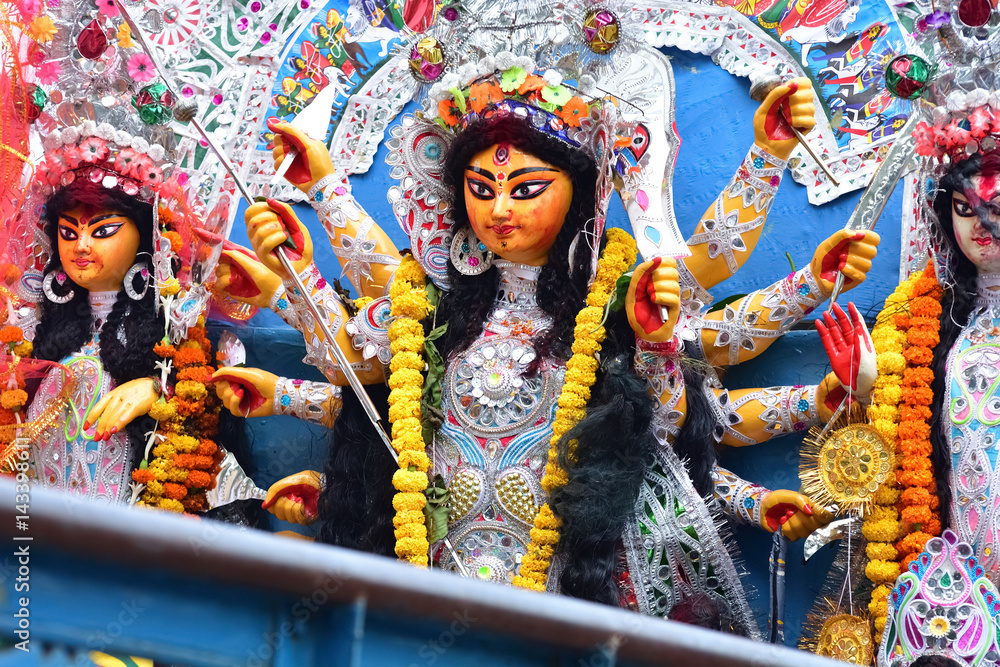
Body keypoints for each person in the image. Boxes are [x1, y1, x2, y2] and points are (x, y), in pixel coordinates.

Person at [213, 40, 882, 632]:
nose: (501, 209)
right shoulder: (432, 309)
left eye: (527, 187)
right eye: (481, 188)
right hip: (432, 578)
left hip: (570, 589)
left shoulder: (610, 302)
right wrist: (295, 259)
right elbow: (355, 370)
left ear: (579, 190)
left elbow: (663, 418)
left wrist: (654, 333)